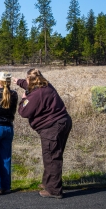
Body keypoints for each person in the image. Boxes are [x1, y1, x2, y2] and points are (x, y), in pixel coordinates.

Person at [13, 68, 72, 199]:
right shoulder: (45, 84)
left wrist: (23, 99)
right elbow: (29, 84)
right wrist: (18, 82)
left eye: (26, 79)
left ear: (30, 79)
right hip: (62, 122)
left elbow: (24, 112)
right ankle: (48, 183)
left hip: (52, 127)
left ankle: (54, 190)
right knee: (53, 154)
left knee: (51, 157)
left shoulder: (35, 94)